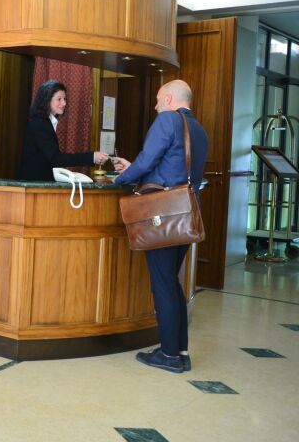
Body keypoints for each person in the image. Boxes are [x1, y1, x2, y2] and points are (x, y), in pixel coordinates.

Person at [112, 79, 209, 373]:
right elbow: (172, 166)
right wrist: (135, 167)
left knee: (163, 283)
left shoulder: (167, 120)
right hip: (186, 215)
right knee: (172, 282)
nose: (155, 106)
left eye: (157, 100)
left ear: (168, 99)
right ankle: (180, 350)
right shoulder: (198, 129)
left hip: (163, 216)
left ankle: (169, 356)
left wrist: (121, 178)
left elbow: (148, 160)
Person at [17, 80, 108, 181]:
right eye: (59, 99)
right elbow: (56, 158)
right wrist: (92, 157)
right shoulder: (40, 124)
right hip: (34, 184)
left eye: (64, 99)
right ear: (46, 100)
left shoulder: (45, 122)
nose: (64, 103)